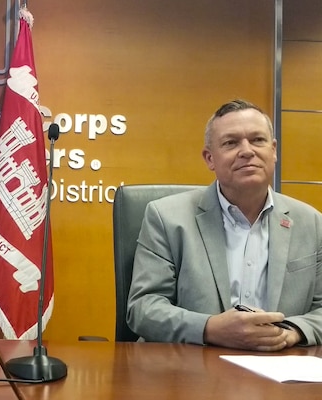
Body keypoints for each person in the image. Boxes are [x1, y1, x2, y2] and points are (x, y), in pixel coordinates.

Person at [127, 99, 322, 351]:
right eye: (231, 143)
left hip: (280, 371)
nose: (247, 151)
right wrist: (210, 328)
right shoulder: (166, 217)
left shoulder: (311, 222)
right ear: (210, 158)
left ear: (273, 150)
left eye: (257, 140)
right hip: (191, 371)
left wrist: (294, 331)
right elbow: (143, 307)